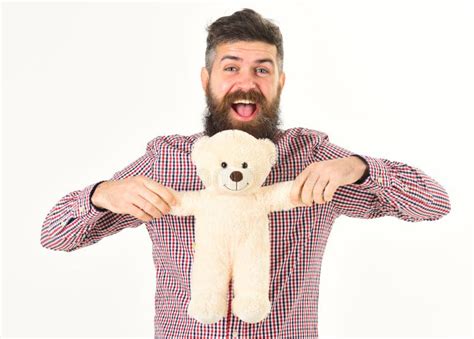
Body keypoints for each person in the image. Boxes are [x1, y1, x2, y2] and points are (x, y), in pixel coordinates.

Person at [40, 8, 451, 338]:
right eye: (231, 67)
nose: (247, 82)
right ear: (207, 80)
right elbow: (54, 236)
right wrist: (100, 194)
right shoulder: (166, 161)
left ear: (280, 82)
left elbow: (434, 204)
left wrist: (360, 168)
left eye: (262, 69)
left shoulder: (313, 159)